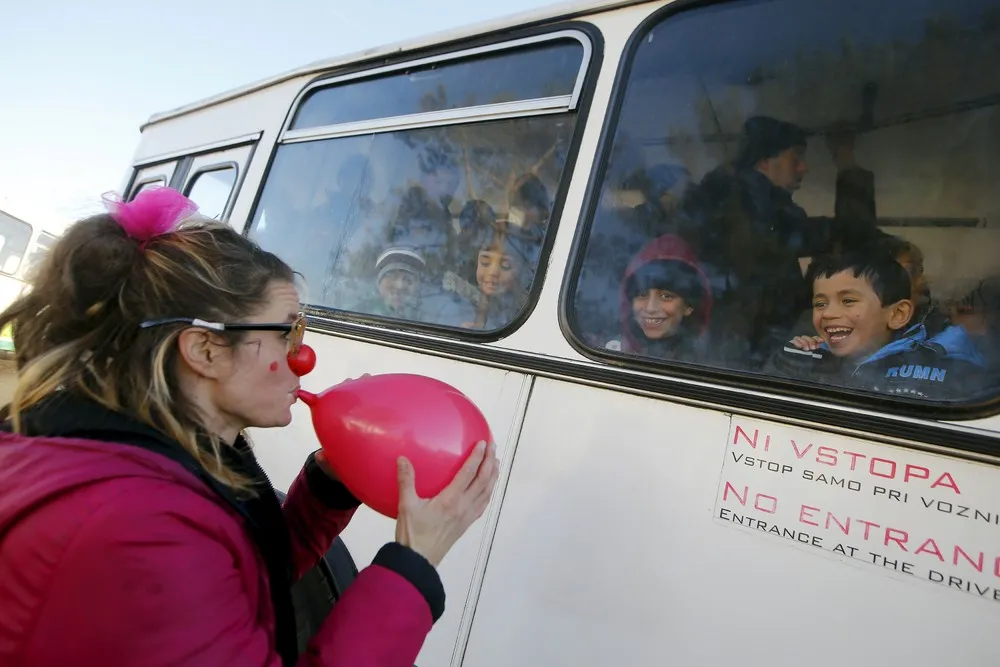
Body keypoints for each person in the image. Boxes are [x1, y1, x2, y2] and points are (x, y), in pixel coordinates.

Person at [0, 187, 499, 667]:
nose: (303, 357)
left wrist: (327, 487)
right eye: (288, 332)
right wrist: (411, 565)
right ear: (206, 350)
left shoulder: (169, 455)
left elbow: (247, 579)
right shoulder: (136, 528)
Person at [768, 250, 989, 400]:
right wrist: (788, 361)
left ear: (897, 314)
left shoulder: (940, 368)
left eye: (848, 301)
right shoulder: (809, 356)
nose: (829, 313)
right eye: (820, 303)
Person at [603, 234, 712, 362]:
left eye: (666, 296)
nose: (650, 308)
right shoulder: (605, 352)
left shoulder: (709, 364)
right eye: (642, 295)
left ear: (688, 307)